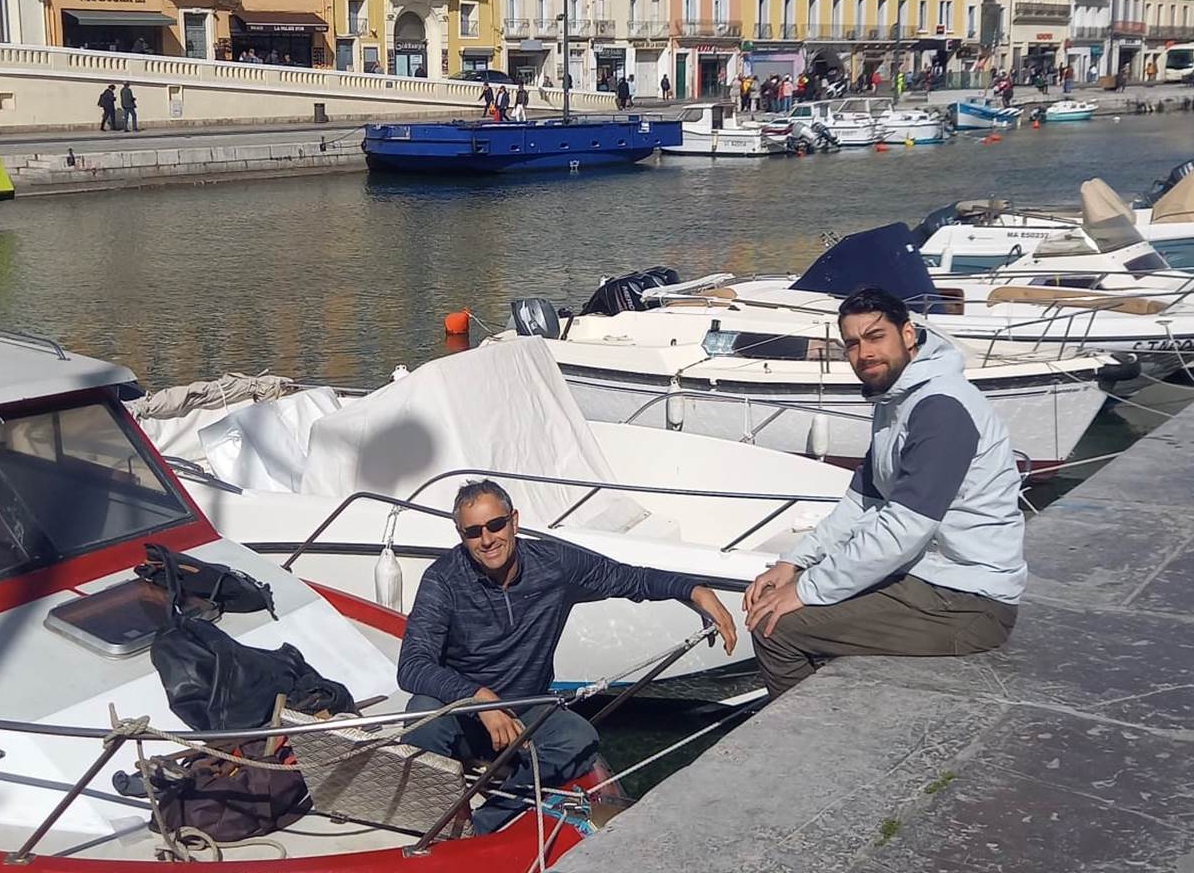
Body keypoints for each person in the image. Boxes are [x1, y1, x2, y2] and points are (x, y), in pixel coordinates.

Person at [400, 479, 737, 834]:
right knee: (423, 714)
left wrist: (692, 589)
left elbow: (625, 577)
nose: (487, 539)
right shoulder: (442, 579)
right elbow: (413, 664)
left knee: (578, 739)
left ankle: (484, 825)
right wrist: (480, 700)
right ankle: (432, 818)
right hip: (466, 712)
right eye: (473, 532)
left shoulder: (554, 563)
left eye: (496, 525)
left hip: (527, 706)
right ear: (461, 534)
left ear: (514, 520)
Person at [744, 287, 1024, 699]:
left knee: (776, 628)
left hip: (968, 601)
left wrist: (806, 589)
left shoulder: (940, 407)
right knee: (786, 594)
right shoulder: (896, 400)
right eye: (853, 344)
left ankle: (813, 744)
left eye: (876, 337)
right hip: (929, 579)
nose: (864, 353)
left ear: (908, 335)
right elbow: (863, 502)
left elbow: (905, 529)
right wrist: (794, 564)